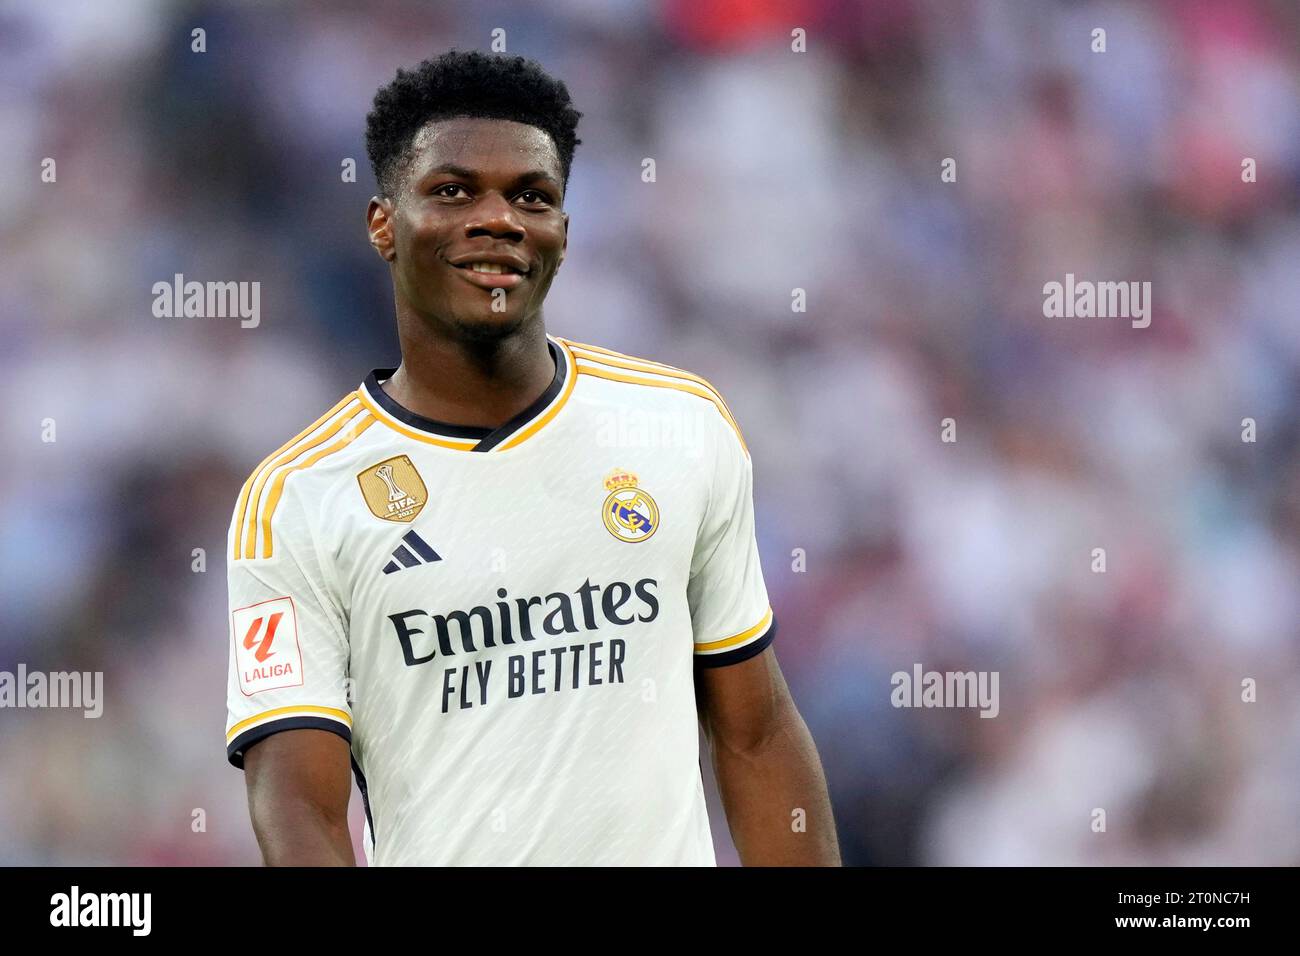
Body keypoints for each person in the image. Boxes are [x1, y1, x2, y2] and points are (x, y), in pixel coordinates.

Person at [223, 49, 839, 866]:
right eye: (452, 191)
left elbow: (756, 736)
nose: (499, 219)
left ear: (563, 233)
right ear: (383, 225)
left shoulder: (678, 424)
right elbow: (301, 808)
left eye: (532, 197)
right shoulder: (298, 499)